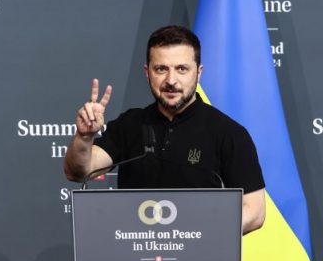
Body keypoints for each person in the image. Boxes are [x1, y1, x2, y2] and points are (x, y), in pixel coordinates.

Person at [63, 25, 266, 234]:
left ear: (199, 72)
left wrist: (195, 235)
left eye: (182, 69)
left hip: (201, 260)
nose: (171, 81)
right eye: (161, 69)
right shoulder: (130, 124)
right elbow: (79, 171)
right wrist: (85, 137)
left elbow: (254, 211)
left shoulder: (228, 132)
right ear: (147, 73)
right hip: (135, 257)